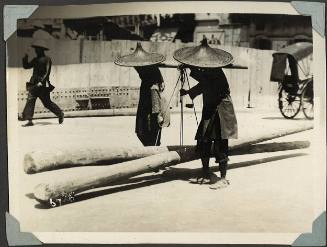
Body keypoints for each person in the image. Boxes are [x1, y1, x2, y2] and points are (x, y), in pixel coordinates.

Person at [180, 65, 238, 189]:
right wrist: (188, 92)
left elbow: (205, 81)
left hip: (221, 110)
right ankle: (205, 171)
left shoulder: (215, 71)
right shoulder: (208, 71)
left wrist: (190, 67)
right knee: (203, 139)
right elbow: (203, 84)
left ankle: (223, 178)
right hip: (210, 108)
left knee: (221, 142)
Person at [20, 39, 64, 127]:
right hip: (33, 83)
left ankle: (60, 113)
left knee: (47, 103)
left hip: (43, 85)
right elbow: (26, 66)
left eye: (38, 49)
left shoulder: (47, 59)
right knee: (30, 100)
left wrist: (41, 81)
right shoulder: (35, 59)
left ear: (42, 50)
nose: (36, 50)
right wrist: (25, 56)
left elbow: (47, 72)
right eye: (36, 49)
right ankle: (29, 121)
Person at [134, 65, 165, 146]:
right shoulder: (146, 84)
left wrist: (158, 115)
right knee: (144, 132)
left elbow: (156, 109)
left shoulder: (152, 86)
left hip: (151, 121)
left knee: (150, 136)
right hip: (147, 117)